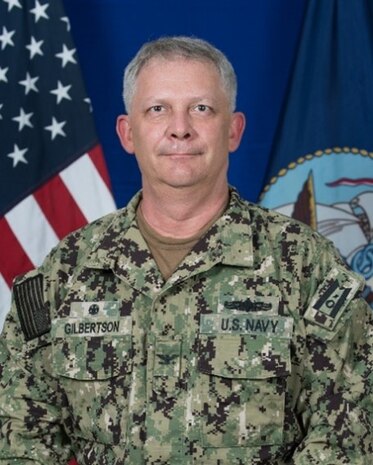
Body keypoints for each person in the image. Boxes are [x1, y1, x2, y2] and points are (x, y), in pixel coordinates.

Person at [0, 36, 372, 465]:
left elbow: (348, 433)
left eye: (202, 108)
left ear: (233, 131)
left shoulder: (306, 265)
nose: (180, 128)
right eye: (158, 109)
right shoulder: (66, 272)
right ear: (128, 132)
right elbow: (20, 434)